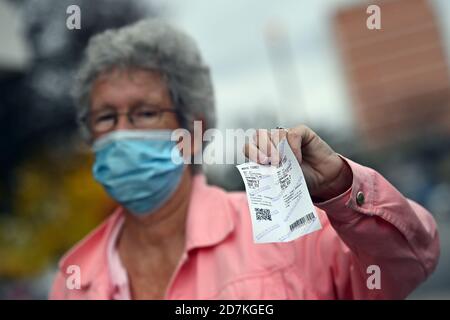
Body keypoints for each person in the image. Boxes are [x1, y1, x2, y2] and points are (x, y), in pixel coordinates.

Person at [49, 19, 439, 300]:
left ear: (194, 129)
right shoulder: (74, 279)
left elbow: (411, 263)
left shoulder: (289, 233)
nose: (122, 132)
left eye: (145, 113)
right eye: (105, 117)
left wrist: (341, 186)